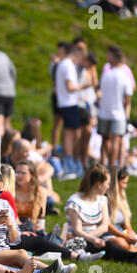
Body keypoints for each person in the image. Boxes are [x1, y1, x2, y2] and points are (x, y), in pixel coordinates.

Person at [0, 170, 78, 273]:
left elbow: (15, 240)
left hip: (4, 249)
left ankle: (50, 271)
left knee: (19, 258)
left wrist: (11, 226)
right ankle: (50, 270)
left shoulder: (4, 204)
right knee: (21, 254)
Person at [65, 163, 137, 265]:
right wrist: (93, 239)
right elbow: (78, 231)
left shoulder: (102, 200)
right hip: (78, 242)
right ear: (98, 184)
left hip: (94, 239)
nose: (108, 187)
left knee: (109, 246)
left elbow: (104, 227)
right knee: (110, 246)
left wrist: (95, 240)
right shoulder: (75, 202)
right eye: (107, 183)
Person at [56, 45, 91, 177]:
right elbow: (70, 87)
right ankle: (70, 162)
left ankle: (70, 161)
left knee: (70, 131)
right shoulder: (68, 65)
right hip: (69, 102)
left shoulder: (63, 64)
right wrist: (84, 85)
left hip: (66, 102)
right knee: (71, 133)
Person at [98, 45, 133, 168]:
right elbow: (128, 99)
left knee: (104, 139)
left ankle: (103, 164)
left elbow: (100, 92)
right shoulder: (124, 77)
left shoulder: (106, 75)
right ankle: (112, 166)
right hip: (118, 113)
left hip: (104, 112)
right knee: (116, 141)